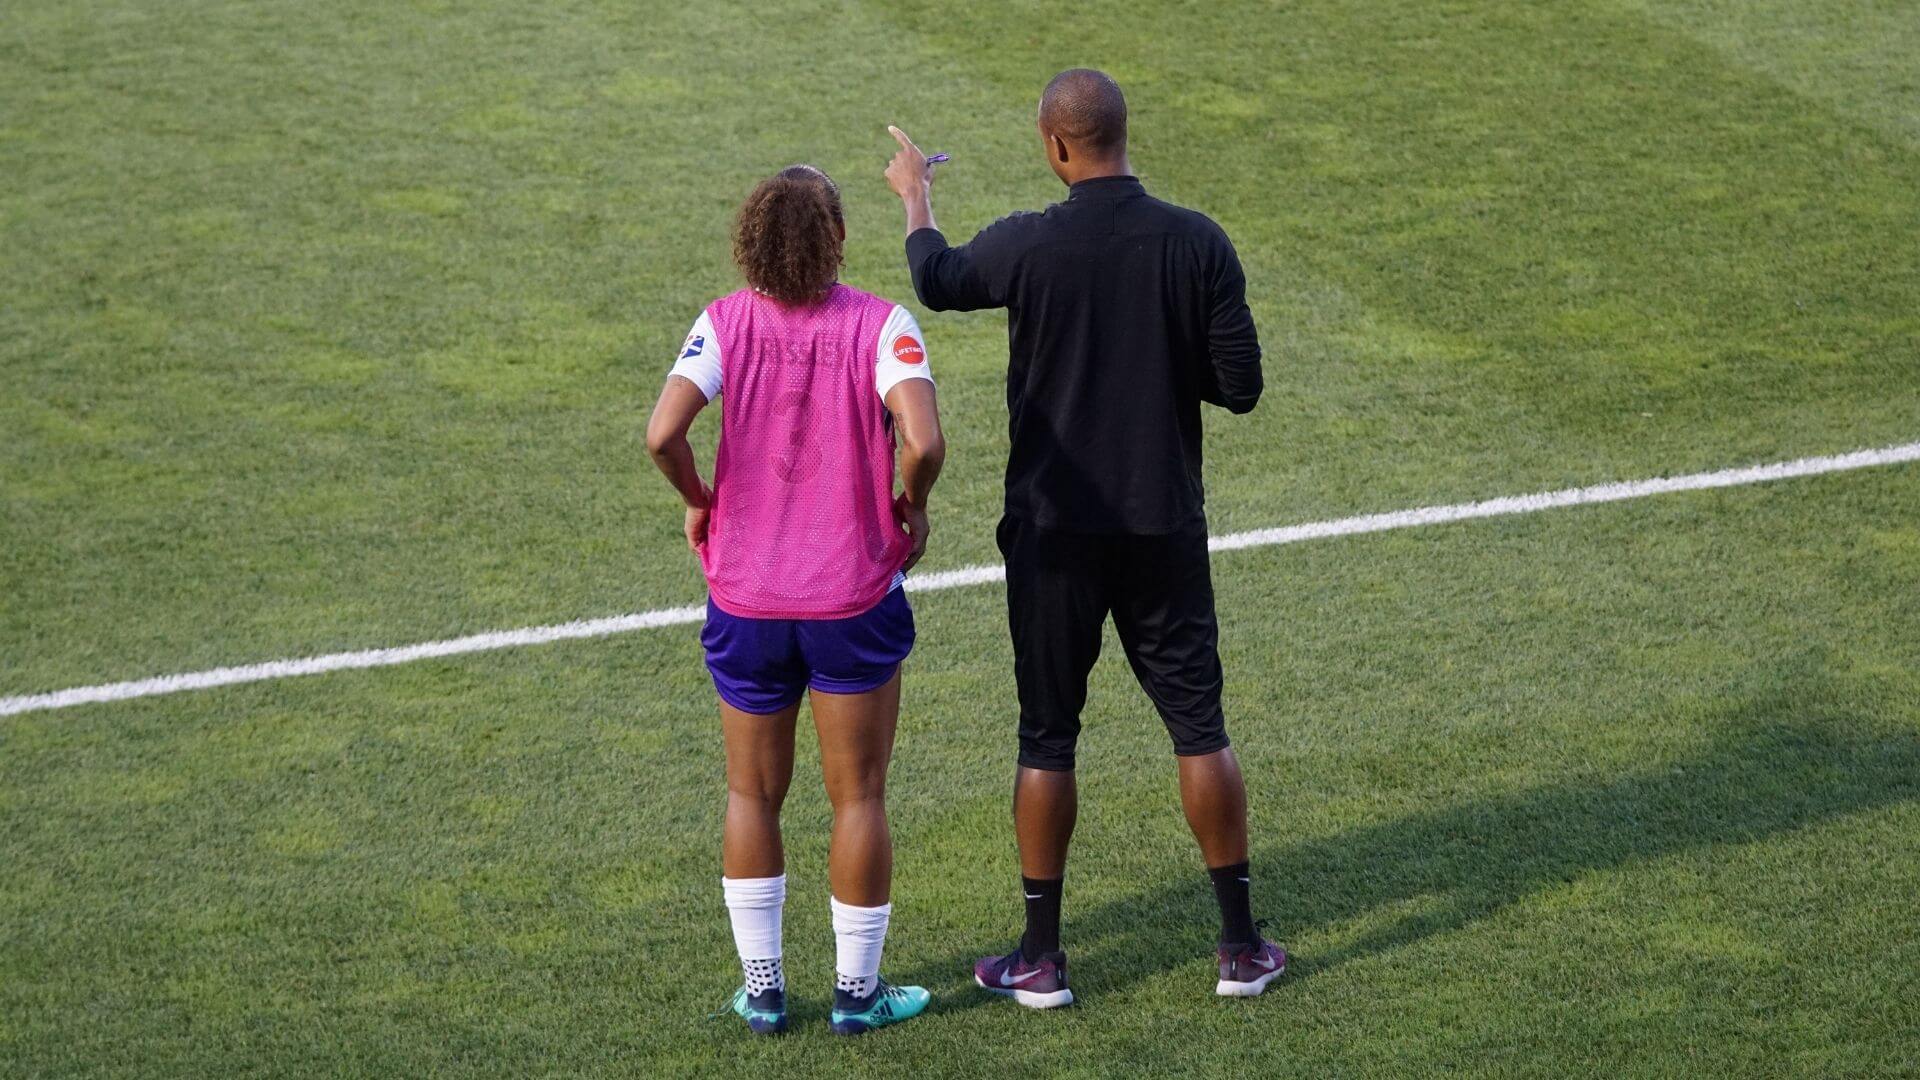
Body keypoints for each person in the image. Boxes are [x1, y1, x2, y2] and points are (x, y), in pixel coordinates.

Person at [883, 69, 1284, 1006]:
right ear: (1121, 135)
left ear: (1056, 147)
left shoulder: (1031, 243)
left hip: (1053, 533)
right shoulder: (1198, 243)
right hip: (1162, 527)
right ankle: (1238, 948)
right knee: (1200, 728)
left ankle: (1041, 960)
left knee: (1046, 735)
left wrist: (916, 195)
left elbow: (938, 281)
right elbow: (1242, 386)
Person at [646, 164, 946, 1036]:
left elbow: (661, 433)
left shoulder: (723, 323)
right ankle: (857, 998)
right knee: (859, 798)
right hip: (852, 597)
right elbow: (923, 438)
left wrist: (698, 498)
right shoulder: (882, 324)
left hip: (746, 603)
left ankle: (765, 991)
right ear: (839, 240)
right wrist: (911, 503)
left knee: (751, 795)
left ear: (751, 241)